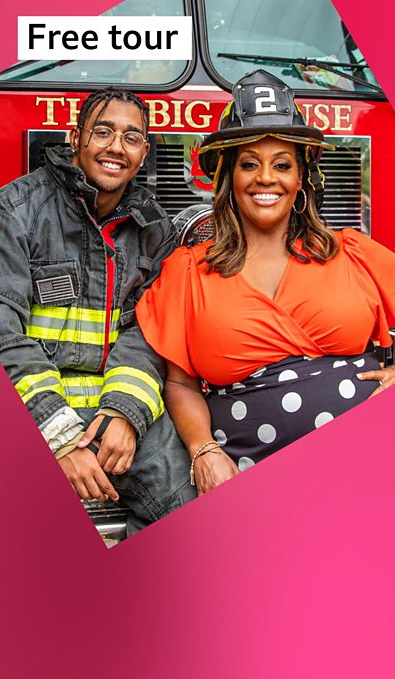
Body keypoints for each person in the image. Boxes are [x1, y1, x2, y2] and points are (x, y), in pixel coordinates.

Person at [136, 69, 395, 496]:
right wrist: (204, 451)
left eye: (282, 165)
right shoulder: (188, 271)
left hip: (367, 476)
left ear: (301, 179)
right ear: (228, 179)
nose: (266, 179)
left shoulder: (352, 252)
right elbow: (180, 384)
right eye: (249, 164)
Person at [0, 86, 196, 534]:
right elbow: (1, 331)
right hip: (30, 411)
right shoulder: (14, 211)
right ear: (75, 137)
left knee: (189, 509)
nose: (115, 148)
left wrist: (125, 413)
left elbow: (148, 333)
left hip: (117, 413)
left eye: (130, 138)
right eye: (103, 132)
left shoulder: (155, 230)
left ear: (143, 153)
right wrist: (59, 439)